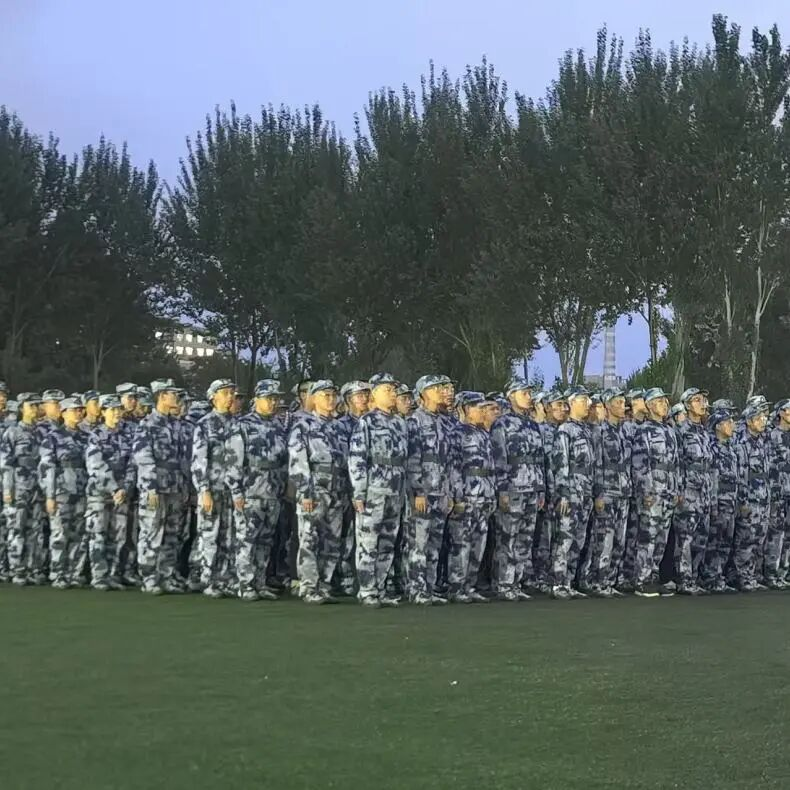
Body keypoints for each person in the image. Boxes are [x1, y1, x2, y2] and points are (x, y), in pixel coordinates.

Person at [348, 373, 406, 607]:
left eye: (394, 389)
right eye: (387, 390)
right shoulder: (367, 422)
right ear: (375, 393)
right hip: (374, 491)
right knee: (368, 543)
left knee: (387, 544)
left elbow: (405, 460)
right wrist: (359, 492)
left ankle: (380, 588)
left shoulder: (399, 423)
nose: (393, 393)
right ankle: (367, 589)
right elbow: (357, 459)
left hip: (395, 492)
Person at [227, 379, 289, 600]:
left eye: (276, 399)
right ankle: (245, 584)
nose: (273, 403)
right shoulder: (243, 425)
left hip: (272, 492)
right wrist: (236, 491)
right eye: (269, 398)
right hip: (250, 491)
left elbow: (283, 461)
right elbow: (233, 462)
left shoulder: (278, 426)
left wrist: (283, 487)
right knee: (247, 540)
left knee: (265, 541)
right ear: (257, 399)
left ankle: (260, 582)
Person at [288, 380, 346, 604]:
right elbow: (298, 461)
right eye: (325, 396)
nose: (331, 400)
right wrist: (305, 492)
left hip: (337, 489)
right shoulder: (303, 425)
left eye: (333, 395)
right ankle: (309, 586)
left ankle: (324, 584)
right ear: (313, 399)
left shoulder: (339, 427)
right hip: (315, 488)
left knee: (332, 541)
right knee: (309, 539)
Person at [490, 378, 545, 601]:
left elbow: (539, 459)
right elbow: (499, 458)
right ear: (511, 395)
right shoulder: (501, 424)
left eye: (530, 393)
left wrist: (541, 490)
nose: (529, 397)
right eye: (524, 393)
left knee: (525, 538)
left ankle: (516, 582)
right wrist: (502, 489)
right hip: (513, 488)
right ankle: (504, 583)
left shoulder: (533, 425)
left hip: (531, 488)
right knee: (508, 538)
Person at [405, 374, 455, 605]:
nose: (441, 392)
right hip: (423, 492)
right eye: (435, 388)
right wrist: (418, 491)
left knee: (435, 543)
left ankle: (430, 587)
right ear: (423, 394)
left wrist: (449, 493)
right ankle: (416, 589)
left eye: (442, 388)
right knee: (419, 543)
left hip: (440, 492)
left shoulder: (444, 422)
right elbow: (412, 459)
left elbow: (449, 461)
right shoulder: (414, 421)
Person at [134, 378, 186, 595]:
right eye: (173, 393)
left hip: (174, 486)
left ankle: (166, 575)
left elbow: (183, 458)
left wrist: (184, 486)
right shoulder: (147, 424)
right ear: (162, 396)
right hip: (156, 487)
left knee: (172, 534)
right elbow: (143, 457)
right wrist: (150, 487)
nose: (177, 397)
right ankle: (149, 577)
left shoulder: (175, 424)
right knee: (151, 531)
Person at [447, 392, 496, 603]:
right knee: (461, 545)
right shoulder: (457, 433)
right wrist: (457, 497)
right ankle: (456, 587)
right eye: (479, 408)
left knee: (478, 545)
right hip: (467, 496)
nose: (484, 412)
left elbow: (491, 467)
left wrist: (492, 494)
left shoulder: (484, 434)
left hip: (484, 497)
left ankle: (470, 585)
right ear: (467, 409)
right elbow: (454, 467)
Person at [631, 387, 679, 597]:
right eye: (659, 401)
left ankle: (653, 576)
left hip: (668, 491)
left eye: (665, 401)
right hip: (653, 491)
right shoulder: (644, 431)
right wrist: (646, 491)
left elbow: (675, 464)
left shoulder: (670, 431)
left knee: (661, 538)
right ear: (650, 406)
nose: (664, 405)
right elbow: (640, 464)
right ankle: (641, 580)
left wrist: (676, 489)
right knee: (648, 537)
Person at [191, 378, 237, 598]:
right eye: (225, 393)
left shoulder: (237, 424)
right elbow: (199, 461)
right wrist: (204, 490)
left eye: (232, 393)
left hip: (232, 490)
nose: (230, 397)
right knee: (209, 535)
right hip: (212, 488)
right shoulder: (204, 424)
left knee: (229, 536)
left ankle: (225, 578)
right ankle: (208, 579)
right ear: (213, 397)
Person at [85, 395, 136, 590]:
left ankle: (113, 575)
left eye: (118, 409)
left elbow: (132, 464)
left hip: (122, 493)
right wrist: (114, 488)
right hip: (100, 493)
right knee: (98, 534)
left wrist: (125, 488)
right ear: (103, 411)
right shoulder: (96, 435)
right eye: (112, 409)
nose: (116, 413)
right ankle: (99, 576)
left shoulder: (127, 435)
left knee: (119, 535)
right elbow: (96, 466)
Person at [39, 397, 90, 588]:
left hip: (82, 491)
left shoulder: (86, 436)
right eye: (74, 410)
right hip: (62, 491)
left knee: (79, 534)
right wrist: (50, 495)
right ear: (64, 413)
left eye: (80, 409)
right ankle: (58, 573)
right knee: (60, 533)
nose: (79, 413)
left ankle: (74, 572)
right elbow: (47, 468)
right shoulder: (53, 437)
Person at [550, 386, 595, 599]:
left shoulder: (585, 430)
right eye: (583, 400)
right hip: (571, 491)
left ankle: (569, 581)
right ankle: (558, 583)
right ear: (571, 403)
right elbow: (561, 464)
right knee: (565, 538)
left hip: (585, 492)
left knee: (579, 539)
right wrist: (563, 494)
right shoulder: (564, 430)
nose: (588, 404)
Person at [586, 387, 631, 598]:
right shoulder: (599, 432)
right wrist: (598, 493)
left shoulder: (624, 431)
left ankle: (610, 580)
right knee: (604, 539)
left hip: (623, 492)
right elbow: (596, 465)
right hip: (607, 492)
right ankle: (598, 580)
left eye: (623, 402)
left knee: (619, 541)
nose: (623, 406)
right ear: (607, 405)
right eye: (618, 402)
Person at [1, 393, 46, 585]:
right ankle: (17, 569)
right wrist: (7, 488)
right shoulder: (12, 432)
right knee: (16, 528)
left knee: (35, 529)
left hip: (37, 486)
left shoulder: (41, 432)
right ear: (21, 408)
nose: (34, 409)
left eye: (36, 406)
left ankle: (31, 568)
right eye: (30, 406)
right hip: (18, 486)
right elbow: (5, 463)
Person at [674, 388, 713, 594]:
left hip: (704, 492)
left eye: (703, 400)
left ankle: (695, 577)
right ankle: (684, 580)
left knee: (701, 537)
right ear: (687, 405)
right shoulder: (681, 431)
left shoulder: (704, 432)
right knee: (685, 538)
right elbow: (677, 463)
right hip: (688, 492)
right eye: (697, 400)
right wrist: (679, 491)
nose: (702, 403)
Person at [335, 380, 371, 595]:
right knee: (346, 533)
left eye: (366, 395)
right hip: (346, 485)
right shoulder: (341, 425)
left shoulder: (371, 422)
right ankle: (345, 576)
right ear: (348, 400)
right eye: (359, 396)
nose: (364, 399)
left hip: (368, 486)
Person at [732, 403, 772, 591]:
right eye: (758, 418)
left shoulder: (763, 441)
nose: (763, 421)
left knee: (759, 538)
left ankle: (753, 575)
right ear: (749, 422)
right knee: (746, 539)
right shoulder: (742, 444)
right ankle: (743, 577)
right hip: (750, 498)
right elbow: (741, 475)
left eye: (764, 418)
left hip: (763, 497)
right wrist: (743, 501)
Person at [701, 410, 739, 593]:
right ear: (717, 426)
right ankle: (710, 577)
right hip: (719, 501)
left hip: (731, 501)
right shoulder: (712, 448)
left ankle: (719, 577)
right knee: (714, 542)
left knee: (726, 542)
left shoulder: (731, 448)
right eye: (728, 422)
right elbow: (712, 478)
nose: (732, 425)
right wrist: (713, 504)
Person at [766, 399, 790, 589]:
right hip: (779, 492)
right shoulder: (772, 436)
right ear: (781, 413)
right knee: (776, 535)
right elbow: (769, 466)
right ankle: (771, 573)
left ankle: (785, 572)